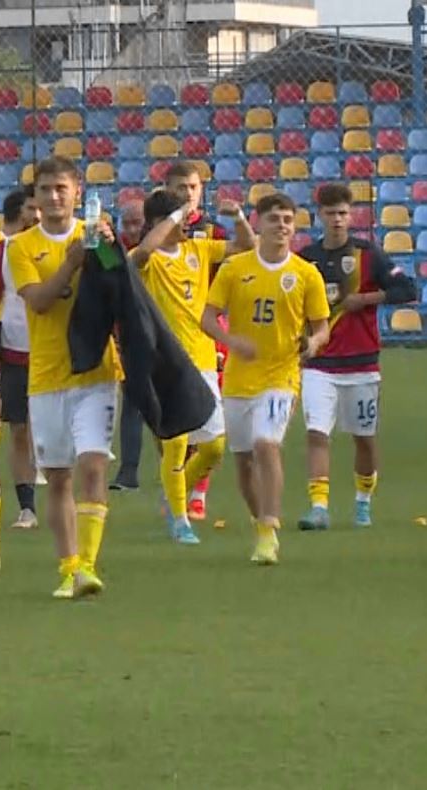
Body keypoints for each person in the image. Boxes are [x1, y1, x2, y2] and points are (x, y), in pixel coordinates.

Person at [7, 156, 121, 599]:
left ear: (78, 194)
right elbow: (37, 301)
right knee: (58, 477)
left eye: (62, 189)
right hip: (48, 374)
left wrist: (109, 248)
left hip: (96, 371)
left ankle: (87, 567)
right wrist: (72, 263)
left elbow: (120, 287)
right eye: (46, 190)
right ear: (34, 198)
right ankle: (67, 565)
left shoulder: (97, 236)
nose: (54, 197)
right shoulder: (20, 248)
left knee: (93, 464)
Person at [200, 193, 330, 565]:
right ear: (258, 223)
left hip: (281, 376)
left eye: (289, 219)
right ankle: (260, 525)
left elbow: (321, 327)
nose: (283, 226)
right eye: (275, 219)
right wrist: (230, 341)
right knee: (242, 463)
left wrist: (314, 343)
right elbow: (207, 317)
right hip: (240, 381)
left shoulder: (306, 274)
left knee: (265, 445)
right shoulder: (235, 268)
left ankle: (270, 528)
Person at [127, 189, 254, 545]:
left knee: (214, 445)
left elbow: (245, 246)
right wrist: (172, 217)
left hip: (202, 358)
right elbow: (143, 252)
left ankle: (174, 495)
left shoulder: (198, 249)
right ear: (159, 222)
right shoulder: (149, 260)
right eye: (182, 220)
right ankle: (180, 519)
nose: (189, 225)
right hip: (165, 361)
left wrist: (239, 217)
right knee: (176, 445)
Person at [295, 183, 417, 530]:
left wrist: (364, 300)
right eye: (331, 213)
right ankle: (318, 507)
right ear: (320, 215)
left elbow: (407, 289)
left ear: (351, 215)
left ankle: (363, 500)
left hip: (362, 363)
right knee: (317, 433)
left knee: (363, 439)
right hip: (320, 364)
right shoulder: (307, 259)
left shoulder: (368, 254)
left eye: (343, 213)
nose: (337, 219)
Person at [164, 160, 231, 519]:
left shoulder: (213, 232)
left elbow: (234, 267)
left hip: (206, 332)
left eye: (192, 187)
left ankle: (198, 493)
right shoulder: (155, 231)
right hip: (167, 335)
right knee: (174, 427)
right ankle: (176, 488)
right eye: (180, 188)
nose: (187, 194)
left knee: (208, 419)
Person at [0, 187, 40, 530]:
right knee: (19, 428)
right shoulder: (1, 250)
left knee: (59, 433)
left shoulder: (80, 239)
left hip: (59, 350)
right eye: (31, 208)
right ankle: (27, 507)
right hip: (15, 348)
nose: (37, 215)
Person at [110, 199, 148, 491]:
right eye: (129, 223)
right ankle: (128, 471)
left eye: (139, 223)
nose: (133, 229)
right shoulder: (116, 249)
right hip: (130, 337)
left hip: (168, 336)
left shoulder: (160, 248)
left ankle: (184, 470)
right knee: (132, 404)